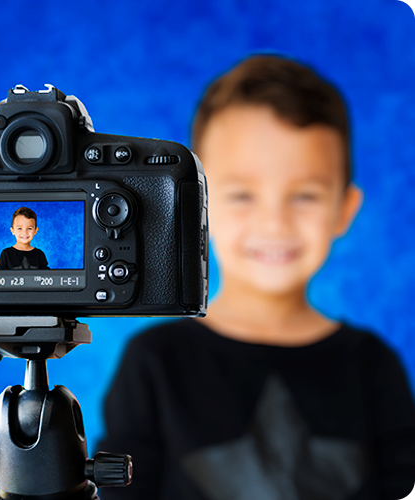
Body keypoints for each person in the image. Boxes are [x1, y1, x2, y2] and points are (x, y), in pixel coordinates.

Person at [98, 55, 415, 499]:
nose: (274, 223)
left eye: (304, 195)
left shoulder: (373, 367)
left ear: (345, 208)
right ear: (195, 207)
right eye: (242, 194)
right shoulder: (154, 362)